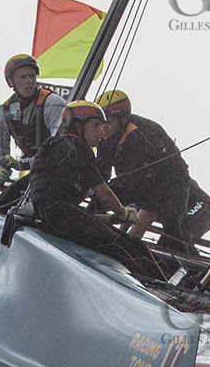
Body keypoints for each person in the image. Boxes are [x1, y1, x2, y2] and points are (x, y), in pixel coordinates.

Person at [27, 101, 162, 279]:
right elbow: (103, 193)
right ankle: (160, 284)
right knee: (124, 245)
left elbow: (63, 207)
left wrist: (111, 218)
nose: (101, 131)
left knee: (125, 242)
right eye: (96, 125)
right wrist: (123, 213)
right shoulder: (79, 148)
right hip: (60, 216)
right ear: (77, 125)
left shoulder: (51, 145)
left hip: (54, 216)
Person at [94, 89, 210, 253]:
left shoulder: (142, 136)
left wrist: (122, 243)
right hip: (148, 191)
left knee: (173, 236)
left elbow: (146, 210)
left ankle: (185, 265)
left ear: (122, 119)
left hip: (198, 206)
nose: (104, 129)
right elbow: (103, 183)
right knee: (103, 197)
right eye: (100, 124)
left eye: (108, 123)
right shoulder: (105, 139)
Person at [0, 54, 67, 185]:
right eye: (23, 77)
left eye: (32, 76)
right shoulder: (3, 113)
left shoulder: (53, 103)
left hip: (63, 172)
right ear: (10, 82)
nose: (29, 81)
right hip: (37, 174)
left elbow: (60, 150)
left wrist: (22, 164)